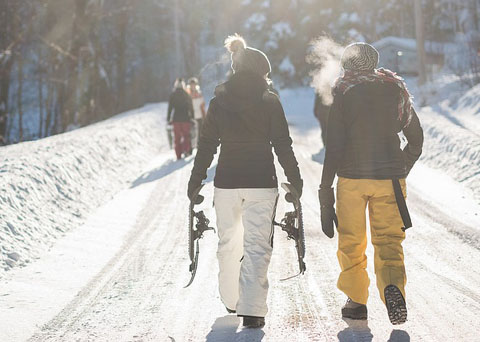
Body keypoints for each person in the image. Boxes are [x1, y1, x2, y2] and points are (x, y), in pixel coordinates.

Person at [187, 34, 302, 329]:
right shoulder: (270, 101)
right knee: (257, 245)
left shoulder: (218, 101)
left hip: (226, 182)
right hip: (262, 182)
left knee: (228, 242)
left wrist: (196, 180)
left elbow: (207, 144)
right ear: (262, 72)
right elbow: (283, 144)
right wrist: (295, 179)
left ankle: (231, 299)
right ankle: (252, 309)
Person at [318, 43, 423, 325]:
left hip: (352, 179)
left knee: (352, 241)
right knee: (389, 240)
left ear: (347, 65)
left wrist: (325, 189)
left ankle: (356, 302)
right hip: (389, 179)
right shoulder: (395, 89)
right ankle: (392, 286)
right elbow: (416, 140)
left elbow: (335, 145)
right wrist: (401, 168)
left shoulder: (344, 91)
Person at [167, 78, 194, 160]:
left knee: (177, 137)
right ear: (183, 85)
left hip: (176, 119)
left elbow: (170, 108)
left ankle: (178, 155)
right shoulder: (187, 94)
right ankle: (186, 150)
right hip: (186, 119)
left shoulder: (173, 95)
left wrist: (168, 118)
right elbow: (191, 107)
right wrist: (192, 117)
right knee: (186, 136)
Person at [186, 77, 206, 149]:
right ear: (189, 85)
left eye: (194, 84)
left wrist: (204, 115)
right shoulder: (187, 94)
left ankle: (199, 145)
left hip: (199, 115)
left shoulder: (199, 93)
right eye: (191, 84)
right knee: (191, 132)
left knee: (200, 132)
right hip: (191, 116)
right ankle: (190, 147)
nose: (193, 86)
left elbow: (202, 104)